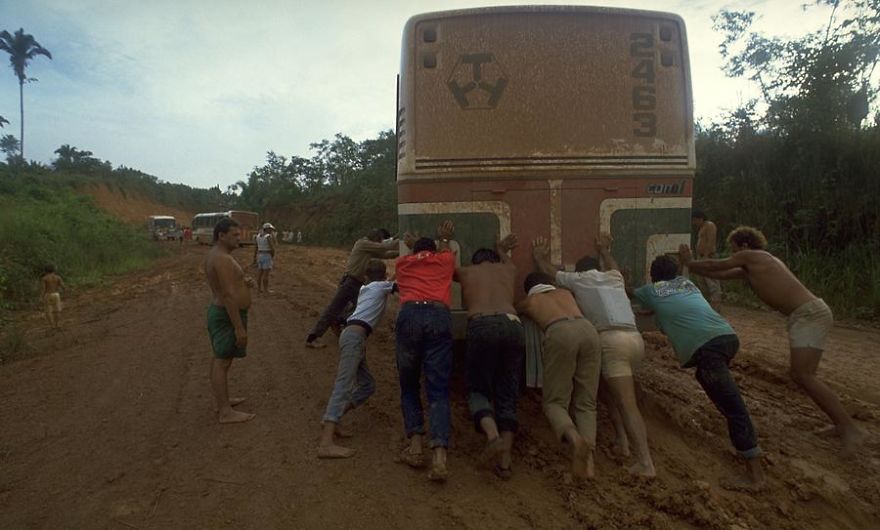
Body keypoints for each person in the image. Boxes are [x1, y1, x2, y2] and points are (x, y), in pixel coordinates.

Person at [681, 226, 865, 454]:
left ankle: (849, 427)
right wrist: (693, 266)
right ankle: (842, 424)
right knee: (803, 375)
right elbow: (719, 273)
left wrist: (690, 261)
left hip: (808, 314)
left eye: (734, 249)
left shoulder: (753, 256)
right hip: (807, 314)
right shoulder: (752, 267)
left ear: (744, 245)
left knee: (803, 375)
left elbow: (718, 264)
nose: (734, 254)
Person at [634, 255, 764, 490]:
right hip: (727, 337)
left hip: (707, 349)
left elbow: (627, 293)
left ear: (653, 276)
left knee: (734, 408)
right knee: (706, 377)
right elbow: (670, 305)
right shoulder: (687, 284)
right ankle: (745, 448)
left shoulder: (650, 290)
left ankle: (755, 477)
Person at [532, 233, 656, 478]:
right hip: (634, 338)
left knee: (626, 403)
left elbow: (549, 272)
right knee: (607, 393)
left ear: (580, 271)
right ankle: (622, 442)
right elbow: (613, 265)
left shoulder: (578, 280)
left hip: (610, 342)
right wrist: (605, 250)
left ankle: (646, 463)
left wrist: (539, 258)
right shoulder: (614, 277)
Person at [515, 269, 600, 480]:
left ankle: (575, 439)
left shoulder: (530, 300)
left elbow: (515, 310)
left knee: (554, 402)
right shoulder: (566, 293)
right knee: (586, 402)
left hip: (560, 332)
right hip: (588, 331)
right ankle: (589, 465)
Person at [454, 234, 523, 479]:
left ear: (475, 262)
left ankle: (493, 437)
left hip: (481, 324)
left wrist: (444, 242)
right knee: (508, 391)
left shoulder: (467, 272)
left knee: (478, 389)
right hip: (512, 323)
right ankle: (505, 463)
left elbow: (446, 268)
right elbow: (507, 261)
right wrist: (501, 249)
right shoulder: (509, 269)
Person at [394, 221, 456, 482]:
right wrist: (444, 239)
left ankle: (416, 446)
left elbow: (415, 257)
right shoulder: (445, 260)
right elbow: (443, 252)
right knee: (438, 388)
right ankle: (440, 456)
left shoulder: (402, 264)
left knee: (409, 384)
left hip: (409, 316)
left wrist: (411, 247)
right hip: (438, 315)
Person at [318, 259, 397, 459]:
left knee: (367, 385)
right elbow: (399, 283)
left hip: (353, 336)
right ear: (384, 274)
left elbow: (388, 281)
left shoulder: (366, 287)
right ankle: (325, 443)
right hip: (355, 337)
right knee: (343, 385)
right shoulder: (382, 286)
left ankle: (334, 418)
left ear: (366, 276)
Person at [306, 229, 398, 349]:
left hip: (355, 283)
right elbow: (385, 248)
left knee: (356, 308)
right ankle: (313, 337)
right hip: (350, 282)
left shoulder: (367, 247)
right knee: (333, 309)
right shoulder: (363, 243)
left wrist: (402, 251)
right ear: (377, 239)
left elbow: (386, 254)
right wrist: (401, 242)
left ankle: (339, 320)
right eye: (380, 240)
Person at [205, 218, 256, 424]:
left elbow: (228, 284)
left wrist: (244, 281)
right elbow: (227, 294)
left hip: (222, 313)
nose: (239, 238)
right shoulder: (222, 259)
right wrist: (238, 327)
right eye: (234, 235)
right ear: (221, 236)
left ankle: (222, 401)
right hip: (226, 316)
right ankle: (225, 412)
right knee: (222, 361)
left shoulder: (218, 256)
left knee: (220, 358)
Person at [691, 210, 722, 308]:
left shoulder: (709, 225)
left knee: (711, 281)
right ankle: (707, 303)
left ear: (700, 218)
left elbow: (711, 241)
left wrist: (706, 256)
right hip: (701, 257)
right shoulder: (701, 228)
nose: (694, 223)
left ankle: (715, 302)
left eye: (695, 220)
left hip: (708, 256)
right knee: (702, 281)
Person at [253, 222, 277, 294]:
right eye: (270, 229)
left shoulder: (258, 236)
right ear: (267, 229)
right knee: (266, 274)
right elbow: (272, 248)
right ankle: (266, 290)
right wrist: (272, 256)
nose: (271, 230)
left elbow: (256, 248)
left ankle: (259, 289)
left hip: (260, 255)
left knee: (260, 273)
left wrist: (254, 257)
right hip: (267, 255)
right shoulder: (268, 236)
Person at [40, 265, 65, 330]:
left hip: (48, 295)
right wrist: (65, 291)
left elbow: (43, 289)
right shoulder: (58, 277)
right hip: (56, 294)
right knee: (57, 310)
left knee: (48, 311)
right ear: (54, 270)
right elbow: (63, 286)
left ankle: (52, 326)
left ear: (45, 271)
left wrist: (41, 297)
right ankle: (57, 324)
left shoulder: (44, 278)